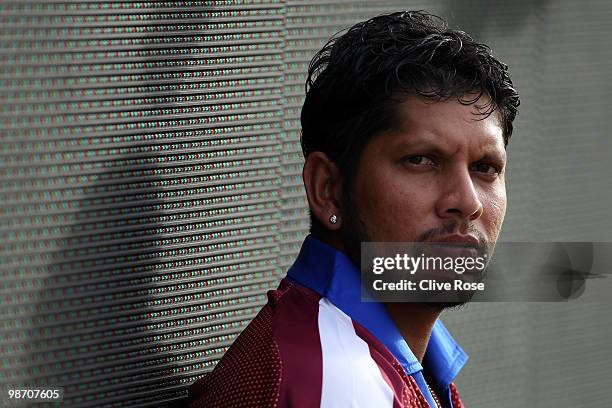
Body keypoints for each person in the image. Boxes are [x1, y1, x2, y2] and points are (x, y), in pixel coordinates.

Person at [188, 10, 519, 408]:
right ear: (328, 189)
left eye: (485, 168)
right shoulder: (337, 380)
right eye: (420, 160)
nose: (466, 202)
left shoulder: (396, 361)